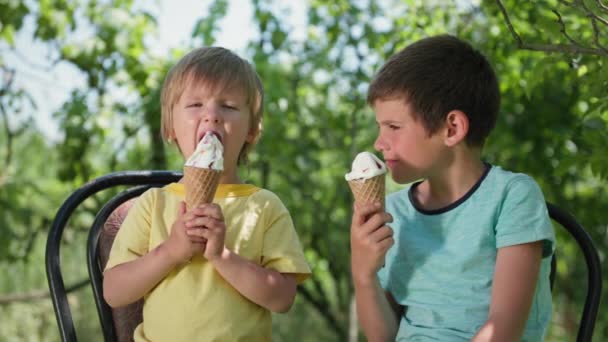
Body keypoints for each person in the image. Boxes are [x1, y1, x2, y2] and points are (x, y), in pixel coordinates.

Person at [350, 35, 555, 341]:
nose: (379, 144)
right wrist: (363, 274)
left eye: (393, 127)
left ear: (452, 129)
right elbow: (384, 337)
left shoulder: (512, 197)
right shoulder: (395, 213)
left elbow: (503, 330)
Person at [103, 47, 311, 341]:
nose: (211, 115)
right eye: (195, 104)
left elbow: (282, 298)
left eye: (228, 106)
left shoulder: (263, 207)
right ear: (170, 127)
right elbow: (114, 291)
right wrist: (170, 251)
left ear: (251, 130)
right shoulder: (154, 204)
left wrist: (221, 255)